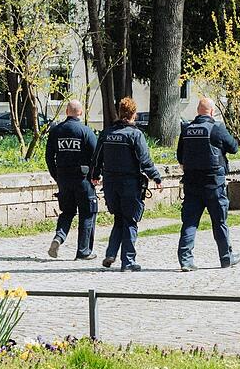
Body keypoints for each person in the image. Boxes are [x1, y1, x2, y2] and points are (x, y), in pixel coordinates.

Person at [91, 98, 162, 272]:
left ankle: (111, 253)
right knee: (130, 221)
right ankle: (128, 261)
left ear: (120, 112)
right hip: (129, 183)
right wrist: (157, 178)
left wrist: (94, 175)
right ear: (133, 114)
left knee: (119, 219)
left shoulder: (106, 133)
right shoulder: (135, 135)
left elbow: (97, 158)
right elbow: (145, 161)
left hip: (110, 184)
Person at [176, 98, 240, 272]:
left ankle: (185, 260)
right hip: (214, 184)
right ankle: (226, 258)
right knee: (219, 221)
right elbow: (234, 147)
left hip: (192, 184)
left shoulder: (187, 129)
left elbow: (180, 156)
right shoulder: (217, 128)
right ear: (212, 112)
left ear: (198, 111)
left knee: (189, 222)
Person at [45, 100, 99, 261]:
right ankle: (83, 251)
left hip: (63, 178)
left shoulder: (56, 131)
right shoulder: (85, 131)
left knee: (67, 212)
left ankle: (59, 237)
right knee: (88, 213)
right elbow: (96, 156)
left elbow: (49, 157)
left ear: (67, 111)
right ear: (80, 113)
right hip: (82, 179)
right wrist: (95, 176)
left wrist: (56, 176)